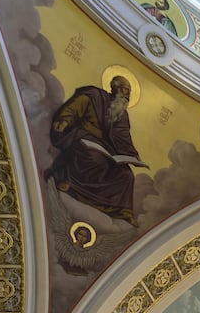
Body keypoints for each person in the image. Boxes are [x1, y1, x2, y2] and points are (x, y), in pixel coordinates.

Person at [44, 76, 148, 227]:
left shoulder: (122, 114)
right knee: (93, 158)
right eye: (124, 89)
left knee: (126, 175)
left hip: (106, 150)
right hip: (83, 137)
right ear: (115, 88)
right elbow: (75, 106)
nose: (127, 94)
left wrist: (133, 156)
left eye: (129, 91)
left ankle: (123, 211)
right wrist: (65, 120)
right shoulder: (94, 96)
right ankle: (69, 183)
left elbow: (123, 138)